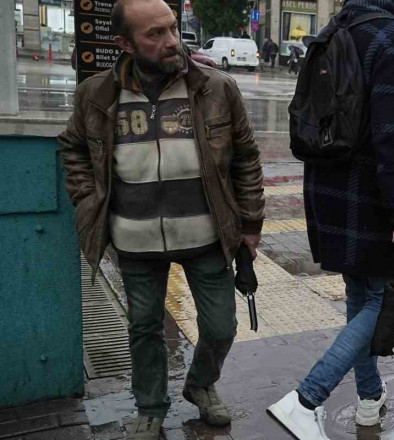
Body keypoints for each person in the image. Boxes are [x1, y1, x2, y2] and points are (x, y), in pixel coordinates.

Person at [58, 0, 265, 438]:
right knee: (144, 327)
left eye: (172, 28)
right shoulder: (96, 94)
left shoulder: (216, 87)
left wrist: (250, 227)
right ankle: (150, 406)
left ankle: (200, 385)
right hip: (134, 241)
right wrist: (85, 198)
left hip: (206, 235)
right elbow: (73, 148)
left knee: (221, 326)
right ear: (125, 43)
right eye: (155, 33)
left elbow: (246, 159)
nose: (172, 41)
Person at [267, 0, 394, 438]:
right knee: (385, 298)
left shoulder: (338, 26)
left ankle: (370, 400)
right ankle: (304, 400)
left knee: (361, 299)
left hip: (327, 189)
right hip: (370, 197)